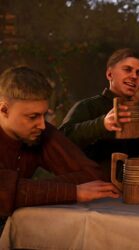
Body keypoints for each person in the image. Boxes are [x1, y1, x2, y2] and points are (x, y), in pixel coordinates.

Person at [0, 66, 120, 233]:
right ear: (4, 109)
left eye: (44, 115)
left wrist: (27, 190)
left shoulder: (40, 132)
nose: (42, 124)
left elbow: (92, 175)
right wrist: (72, 192)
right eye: (33, 117)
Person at [59, 49, 139, 177]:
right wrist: (102, 124)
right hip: (91, 188)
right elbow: (62, 141)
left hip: (130, 188)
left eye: (138, 73)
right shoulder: (88, 106)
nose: (134, 76)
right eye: (127, 69)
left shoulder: (138, 115)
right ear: (110, 74)